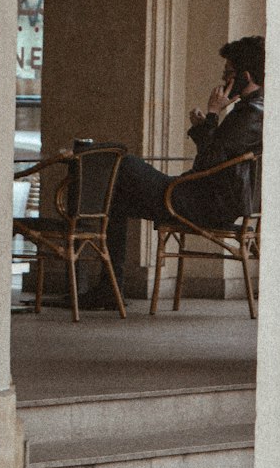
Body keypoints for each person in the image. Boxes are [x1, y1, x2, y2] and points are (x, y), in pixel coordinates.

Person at [78, 35, 265, 310]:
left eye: (227, 74)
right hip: (209, 199)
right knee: (115, 198)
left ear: (245, 76)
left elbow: (207, 163)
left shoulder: (248, 115)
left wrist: (213, 115)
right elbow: (217, 157)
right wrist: (207, 125)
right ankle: (109, 288)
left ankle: (98, 277)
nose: (222, 80)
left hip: (201, 202)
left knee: (124, 164)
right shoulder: (254, 111)